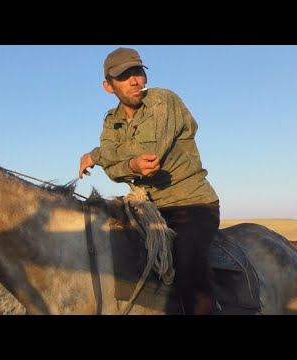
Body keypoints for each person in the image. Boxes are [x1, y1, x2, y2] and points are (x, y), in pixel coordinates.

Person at [79, 47, 220, 315]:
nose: (135, 81)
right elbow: (114, 171)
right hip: (147, 207)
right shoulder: (112, 121)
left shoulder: (161, 101)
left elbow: (147, 148)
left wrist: (95, 155)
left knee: (189, 264)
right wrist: (129, 165)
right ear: (108, 86)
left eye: (138, 72)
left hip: (192, 205)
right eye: (124, 76)